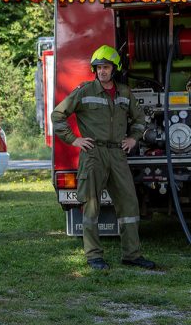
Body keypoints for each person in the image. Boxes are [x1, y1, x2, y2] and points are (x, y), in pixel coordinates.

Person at [51, 45, 155, 270]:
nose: (102, 71)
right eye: (98, 68)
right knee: (91, 206)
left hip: (117, 153)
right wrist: (74, 140)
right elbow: (58, 114)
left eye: (106, 67)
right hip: (93, 154)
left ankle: (132, 254)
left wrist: (134, 138)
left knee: (129, 203)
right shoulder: (85, 91)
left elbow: (139, 119)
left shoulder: (125, 93)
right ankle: (94, 256)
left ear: (114, 69)